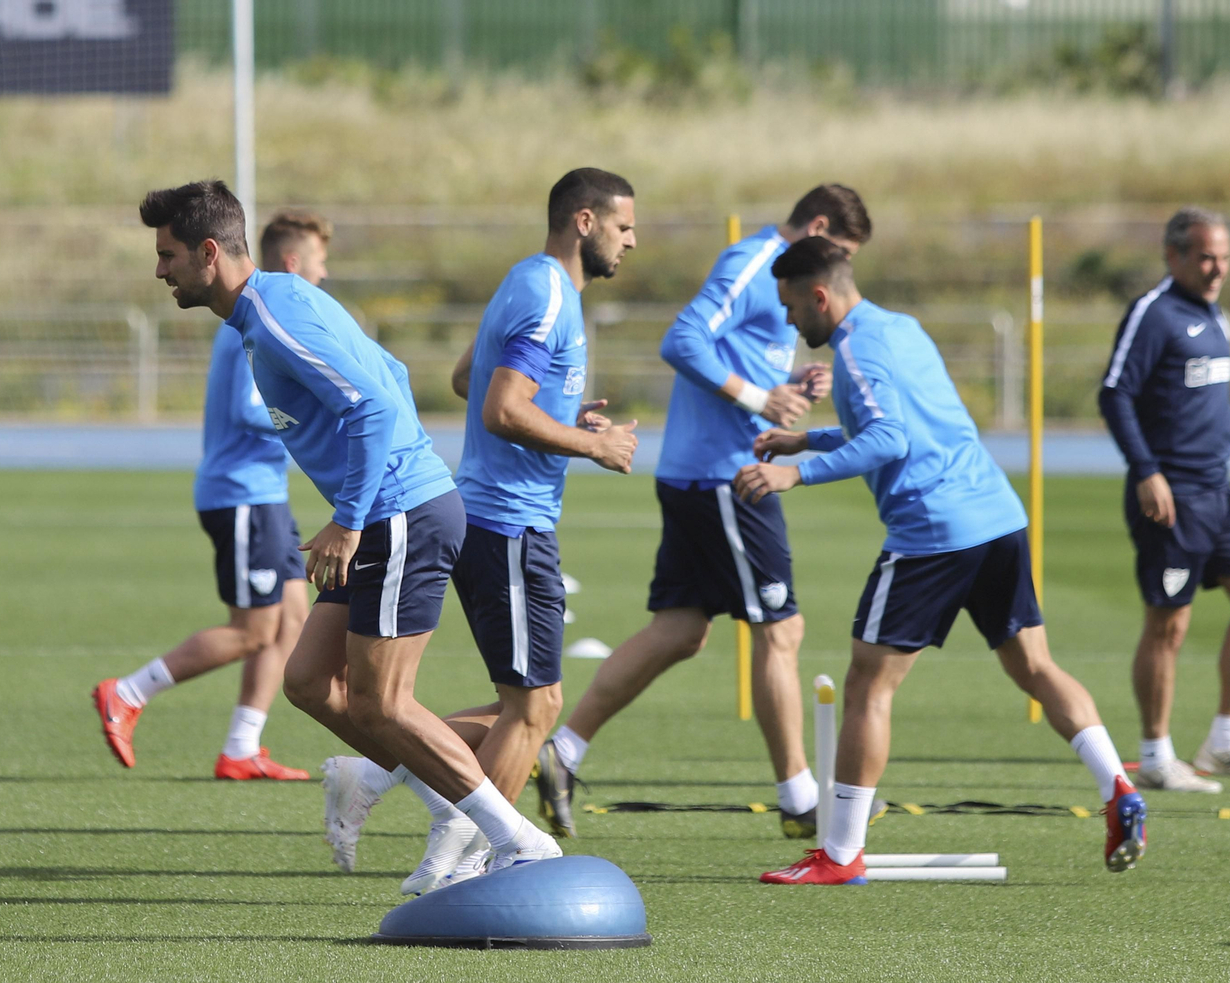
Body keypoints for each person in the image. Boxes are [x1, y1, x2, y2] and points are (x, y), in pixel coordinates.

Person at [138, 179, 562, 876]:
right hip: (389, 508)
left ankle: (515, 836)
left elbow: (370, 407)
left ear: (208, 252)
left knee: (382, 701)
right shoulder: (268, 308)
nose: (160, 271)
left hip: (397, 515)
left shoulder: (273, 313)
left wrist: (351, 514)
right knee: (307, 680)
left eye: (168, 254)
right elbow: (389, 368)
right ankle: (430, 794)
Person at [737, 237, 1145, 884]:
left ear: (820, 295)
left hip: (934, 531)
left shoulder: (854, 347)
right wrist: (806, 435)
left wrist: (797, 471)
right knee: (1035, 665)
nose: (789, 322)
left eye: (791, 307)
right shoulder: (900, 327)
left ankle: (839, 854)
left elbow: (889, 438)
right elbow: (911, 422)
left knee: (868, 682)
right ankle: (1119, 785)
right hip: (996, 517)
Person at [321, 169, 640, 895]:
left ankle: (373, 772)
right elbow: (498, 406)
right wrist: (593, 443)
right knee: (536, 707)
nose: (633, 240)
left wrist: (561, 410)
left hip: (497, 517)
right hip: (508, 523)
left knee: (520, 703)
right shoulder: (551, 294)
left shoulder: (526, 280)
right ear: (584, 221)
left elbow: (469, 376)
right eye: (624, 226)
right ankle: (470, 866)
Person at [533, 184, 872, 841]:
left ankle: (564, 750)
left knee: (682, 629)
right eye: (842, 254)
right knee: (782, 629)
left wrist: (793, 381)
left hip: (704, 471)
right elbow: (682, 339)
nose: (842, 273)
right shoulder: (751, 263)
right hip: (726, 475)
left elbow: (737, 351)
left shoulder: (778, 274)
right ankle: (801, 798)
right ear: (820, 227)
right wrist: (757, 398)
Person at [89, 210, 335, 780]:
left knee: (293, 620)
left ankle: (242, 747)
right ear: (294, 262)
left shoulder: (268, 311)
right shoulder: (255, 322)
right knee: (254, 630)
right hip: (242, 495)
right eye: (321, 262)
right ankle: (127, 692)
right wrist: (321, 407)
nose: (325, 274)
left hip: (264, 494)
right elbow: (250, 410)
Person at [1098, 207, 1230, 793]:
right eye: (1205, 256)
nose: (1217, 268)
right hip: (1169, 496)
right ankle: (1155, 755)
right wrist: (1147, 471)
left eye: (1223, 257)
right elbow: (1114, 392)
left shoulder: (1218, 315)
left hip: (1219, 493)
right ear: (1173, 256)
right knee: (1168, 626)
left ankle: (1226, 738)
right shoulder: (1154, 312)